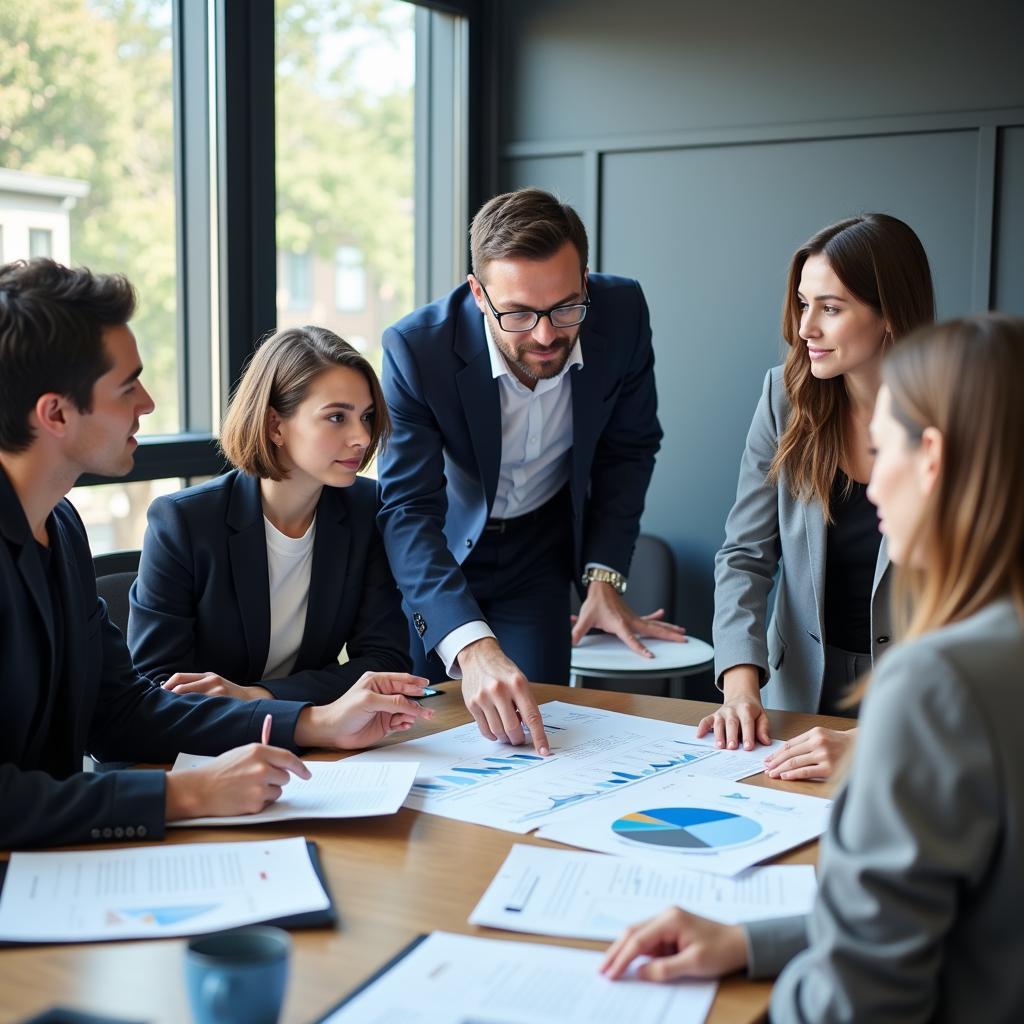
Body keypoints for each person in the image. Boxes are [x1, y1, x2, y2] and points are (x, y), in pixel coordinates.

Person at [601, 313, 1024, 1022]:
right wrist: (749, 941)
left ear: (932, 459)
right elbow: (964, 917)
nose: (871, 484)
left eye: (881, 448)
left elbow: (857, 1000)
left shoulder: (936, 685)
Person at [0, 259, 432, 850]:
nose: (148, 403)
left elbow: (122, 710)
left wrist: (311, 722)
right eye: (128, 387)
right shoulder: (173, 521)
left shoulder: (62, 527)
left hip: (59, 856)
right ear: (55, 413)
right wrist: (187, 795)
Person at [377, 187, 685, 755]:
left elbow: (630, 448)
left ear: (585, 282)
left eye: (566, 307)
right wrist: (471, 647)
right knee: (421, 734)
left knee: (539, 732)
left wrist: (603, 576)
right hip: (443, 557)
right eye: (518, 313)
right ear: (478, 293)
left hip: (539, 552)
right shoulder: (416, 349)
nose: (546, 335)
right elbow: (407, 509)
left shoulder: (622, 314)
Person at [703, 213, 934, 779]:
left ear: (889, 316)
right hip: (796, 691)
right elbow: (744, 554)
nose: (805, 328)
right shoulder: (784, 397)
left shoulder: (955, 412)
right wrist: (740, 681)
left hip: (919, 705)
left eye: (830, 308)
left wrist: (871, 740)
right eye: (803, 304)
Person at [128, 326, 410, 704]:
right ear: (276, 425)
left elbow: (385, 662)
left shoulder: (366, 509)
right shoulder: (184, 523)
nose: (361, 437)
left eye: (367, 416)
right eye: (337, 418)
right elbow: (156, 686)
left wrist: (257, 696)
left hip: (321, 743)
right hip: (211, 748)